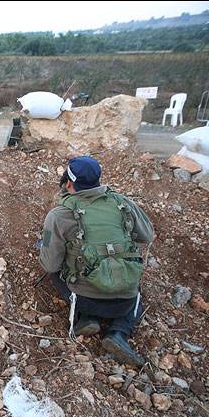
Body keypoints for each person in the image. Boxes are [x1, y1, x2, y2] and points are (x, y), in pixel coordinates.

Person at [39, 156, 154, 366]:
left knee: (56, 273)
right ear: (98, 180)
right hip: (125, 302)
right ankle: (119, 332)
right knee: (135, 287)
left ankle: (86, 318)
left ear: (69, 183)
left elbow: (50, 265)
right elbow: (147, 236)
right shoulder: (122, 203)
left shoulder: (59, 215)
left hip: (84, 298)